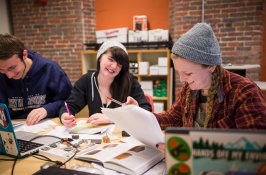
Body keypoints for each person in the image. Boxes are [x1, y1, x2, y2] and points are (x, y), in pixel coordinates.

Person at [127, 23, 266, 155]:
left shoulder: (245, 93)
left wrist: (192, 152)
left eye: (188, 73)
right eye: (179, 72)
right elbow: (172, 118)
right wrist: (139, 114)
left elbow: (255, 152)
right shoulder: (190, 89)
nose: (182, 79)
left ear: (211, 66)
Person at [59, 41, 151, 128]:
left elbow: (146, 111)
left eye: (119, 64)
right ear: (99, 58)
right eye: (111, 59)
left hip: (122, 137)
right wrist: (65, 115)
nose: (114, 66)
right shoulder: (87, 80)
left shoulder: (130, 81)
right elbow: (69, 105)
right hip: (96, 138)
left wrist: (113, 118)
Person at [0, 34, 72, 126]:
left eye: (12, 67)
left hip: (47, 126)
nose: (9, 75)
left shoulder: (50, 69)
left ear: (24, 55)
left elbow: (68, 101)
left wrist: (47, 109)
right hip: (11, 129)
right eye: (1, 70)